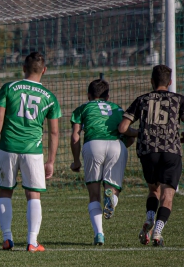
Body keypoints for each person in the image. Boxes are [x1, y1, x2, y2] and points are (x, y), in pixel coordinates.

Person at [0, 52, 61, 252]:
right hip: (33, 151)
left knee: (5, 191)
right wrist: (51, 160)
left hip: (8, 147)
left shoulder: (9, 88)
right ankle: (32, 241)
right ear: (44, 70)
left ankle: (7, 238)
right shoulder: (49, 97)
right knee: (33, 195)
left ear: (23, 68)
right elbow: (54, 132)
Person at [118, 64, 184, 247]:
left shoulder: (142, 99)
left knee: (153, 190)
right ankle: (158, 232)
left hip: (148, 151)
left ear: (152, 81)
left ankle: (149, 217)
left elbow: (122, 128)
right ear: (170, 82)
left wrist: (139, 133)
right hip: (171, 151)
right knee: (168, 195)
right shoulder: (178, 99)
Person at [69, 78, 136, 245]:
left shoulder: (82, 108)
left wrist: (76, 160)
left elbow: (75, 135)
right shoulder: (117, 108)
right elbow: (127, 132)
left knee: (93, 195)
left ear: (89, 95)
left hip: (93, 145)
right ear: (108, 96)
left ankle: (99, 234)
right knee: (113, 189)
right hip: (115, 145)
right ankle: (111, 198)